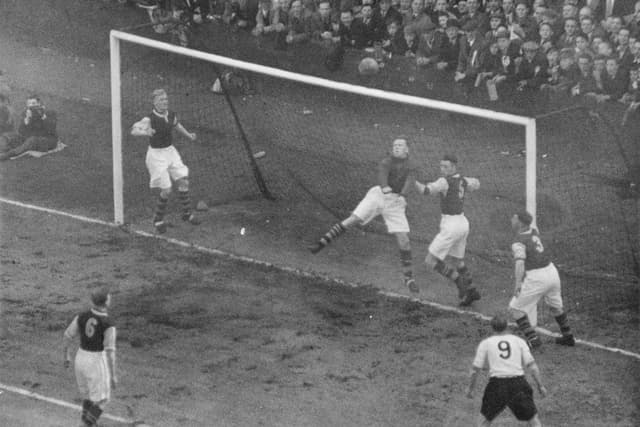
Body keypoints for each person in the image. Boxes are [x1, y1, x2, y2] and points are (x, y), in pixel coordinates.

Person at [309, 138, 419, 292]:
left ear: (407, 149)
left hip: (395, 202)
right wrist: (385, 186)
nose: (396, 148)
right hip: (378, 195)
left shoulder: (412, 166)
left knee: (404, 241)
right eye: (394, 145)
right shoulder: (386, 161)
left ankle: (409, 279)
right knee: (353, 220)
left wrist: (403, 195)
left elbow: (410, 181)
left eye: (400, 145)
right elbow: (382, 174)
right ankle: (321, 243)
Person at [130, 89, 201, 233]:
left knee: (183, 181)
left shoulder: (171, 115)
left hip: (170, 151)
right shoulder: (149, 119)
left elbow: (177, 125)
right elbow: (134, 130)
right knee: (166, 190)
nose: (165, 102)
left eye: (166, 99)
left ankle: (187, 214)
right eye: (161, 100)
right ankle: (157, 219)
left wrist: (189, 135)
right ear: (154, 102)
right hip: (156, 156)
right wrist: (145, 132)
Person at [414, 154, 480, 306]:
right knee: (457, 260)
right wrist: (471, 182)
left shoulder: (444, 181)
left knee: (430, 260)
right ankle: (472, 291)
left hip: (451, 225)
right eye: (441, 166)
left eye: (446, 166)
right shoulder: (462, 179)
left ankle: (459, 281)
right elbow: (476, 184)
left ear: (454, 167)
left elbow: (426, 191)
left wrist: (413, 182)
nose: (442, 169)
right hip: (463, 223)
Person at [466, 313, 547, 427]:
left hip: (496, 386)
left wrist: (470, 389)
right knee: (533, 420)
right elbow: (532, 367)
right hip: (518, 385)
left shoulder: (486, 344)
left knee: (484, 421)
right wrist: (540, 386)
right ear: (507, 326)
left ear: (492, 327)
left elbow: (475, 370)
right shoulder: (519, 341)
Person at [508, 211, 575, 349]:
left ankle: (533, 340)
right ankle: (568, 336)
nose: (511, 220)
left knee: (515, 309)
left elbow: (520, 263)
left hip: (537, 277)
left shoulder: (518, 242)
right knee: (556, 306)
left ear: (520, 222)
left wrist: (518, 284)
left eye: (514, 218)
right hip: (552, 272)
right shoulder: (534, 231)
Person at [62, 289, 117, 427]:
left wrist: (67, 355)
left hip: (80, 359)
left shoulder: (81, 316)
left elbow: (67, 335)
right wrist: (113, 375)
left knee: (88, 397)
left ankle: (89, 423)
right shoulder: (108, 323)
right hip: (96, 362)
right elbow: (110, 352)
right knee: (103, 400)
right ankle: (84, 425)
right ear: (106, 302)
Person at [0, 95, 58, 161]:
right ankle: (3, 150)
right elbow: (21, 132)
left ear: (39, 103)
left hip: (46, 140)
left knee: (32, 140)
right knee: (6, 136)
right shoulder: (26, 113)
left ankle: (8, 154)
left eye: (33, 103)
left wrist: (43, 117)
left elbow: (51, 129)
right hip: (28, 138)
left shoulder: (50, 113)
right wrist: (27, 119)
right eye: (29, 104)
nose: (31, 106)